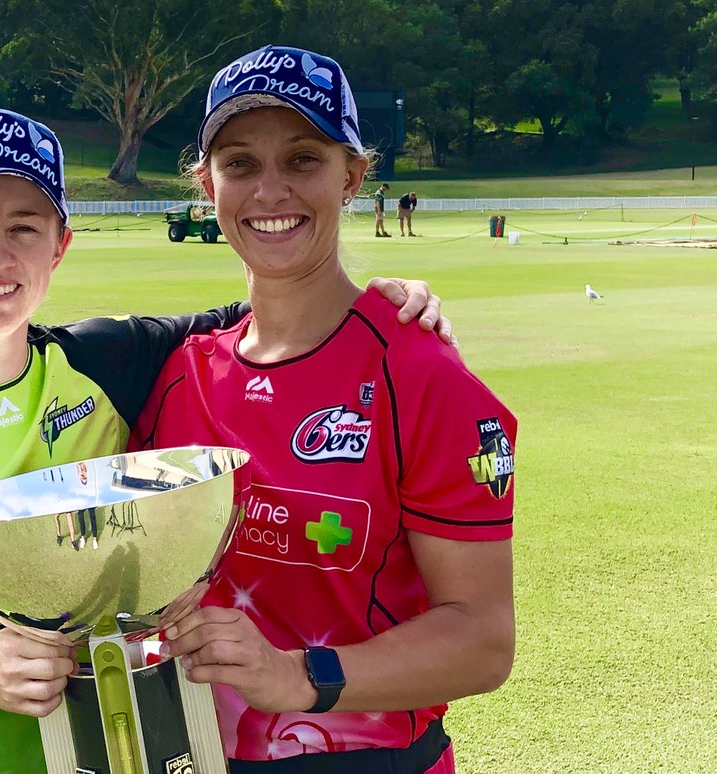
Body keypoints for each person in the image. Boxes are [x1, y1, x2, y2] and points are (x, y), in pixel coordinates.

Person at [0, 105, 448, 774]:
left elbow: (269, 315)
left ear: (60, 246)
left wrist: (385, 301)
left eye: (24, 227)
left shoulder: (109, 363)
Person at [136, 46, 515, 772]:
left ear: (352, 177)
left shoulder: (421, 373)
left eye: (303, 159)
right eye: (241, 163)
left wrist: (300, 676)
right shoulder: (180, 371)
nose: (269, 190)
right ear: (205, 184)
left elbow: (483, 640)